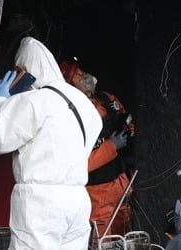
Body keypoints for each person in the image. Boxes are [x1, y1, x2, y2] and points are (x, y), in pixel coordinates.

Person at [0, 37, 102, 249]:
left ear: (28, 71)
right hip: (77, 198)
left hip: (40, 201)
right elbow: (93, 131)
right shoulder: (82, 102)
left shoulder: (36, 99)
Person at [59, 61, 134, 237]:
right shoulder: (69, 114)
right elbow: (77, 164)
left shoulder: (106, 99)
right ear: (69, 85)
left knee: (125, 236)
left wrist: (128, 130)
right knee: (103, 240)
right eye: (76, 75)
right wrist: (111, 146)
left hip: (122, 184)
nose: (83, 75)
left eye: (81, 71)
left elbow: (126, 119)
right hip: (97, 193)